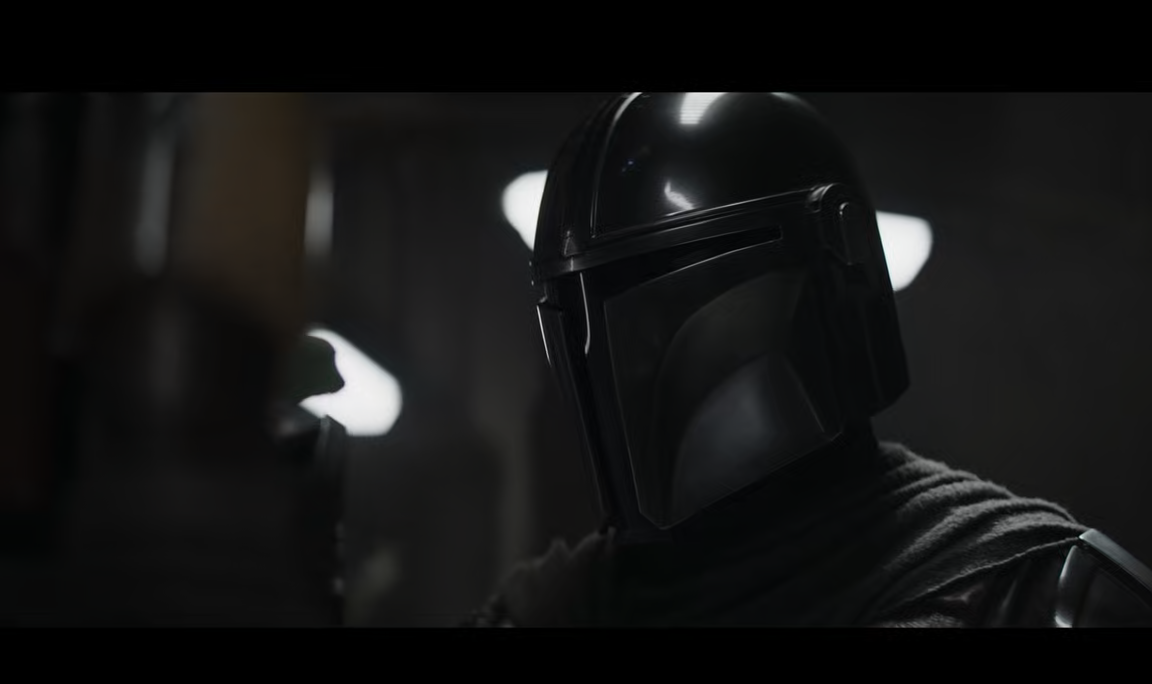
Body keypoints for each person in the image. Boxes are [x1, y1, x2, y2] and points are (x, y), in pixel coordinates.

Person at [464, 92, 1152, 627]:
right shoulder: (551, 608)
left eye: (653, 281)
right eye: (579, 299)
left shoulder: (1031, 598)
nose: (622, 348)